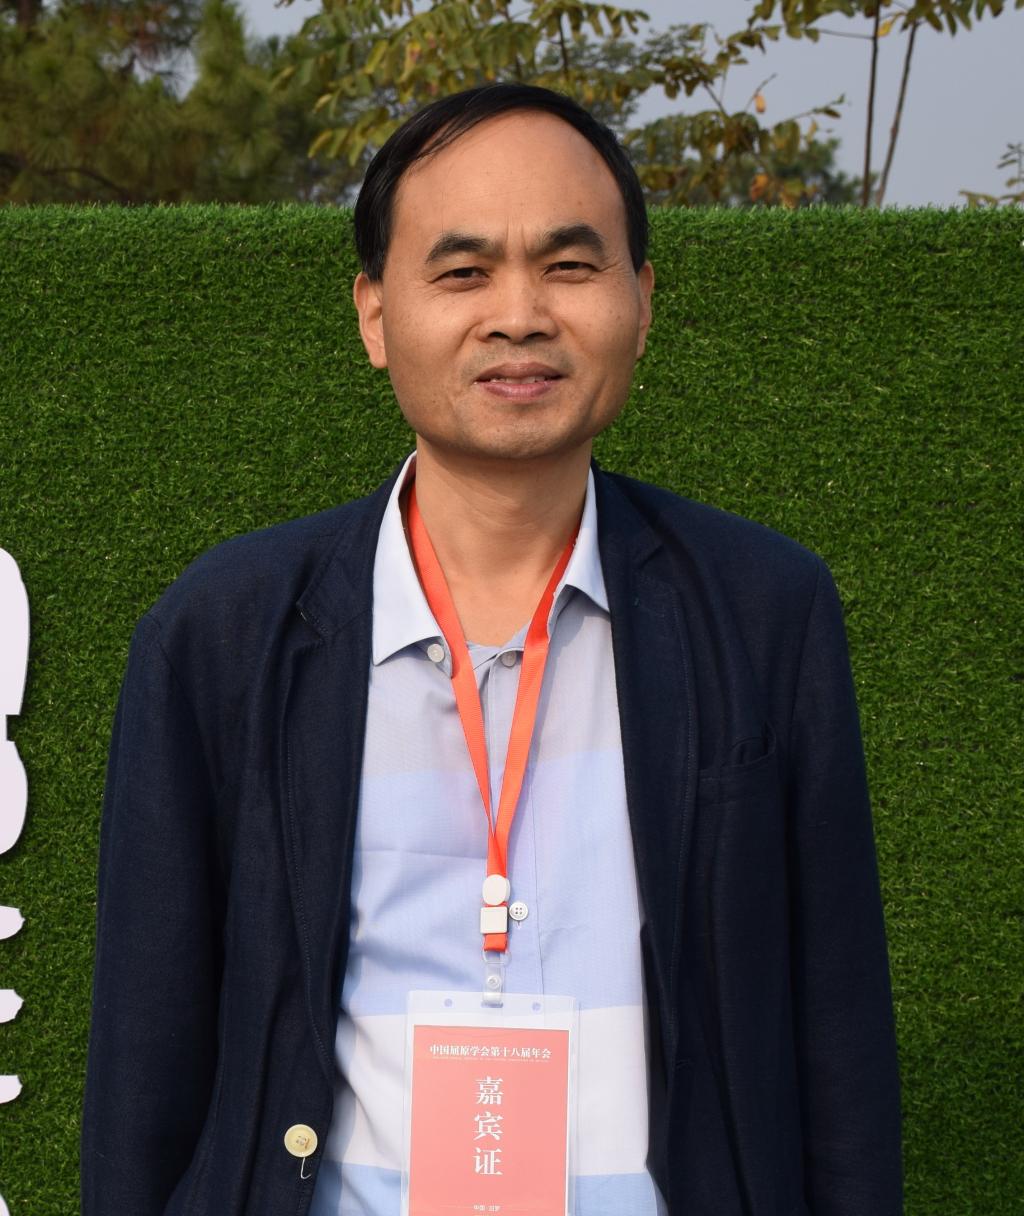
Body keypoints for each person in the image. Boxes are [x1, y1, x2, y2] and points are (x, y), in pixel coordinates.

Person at [81, 83, 902, 1216]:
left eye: (568, 265)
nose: (519, 315)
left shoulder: (764, 611)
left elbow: (839, 1043)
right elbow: (145, 1065)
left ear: (642, 300)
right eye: (463, 272)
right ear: (374, 314)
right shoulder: (222, 633)